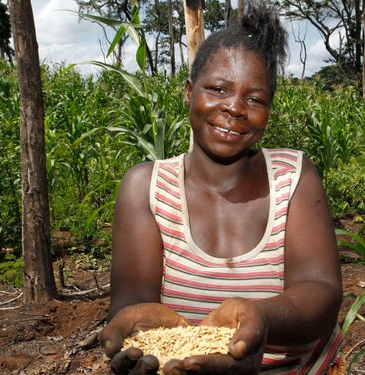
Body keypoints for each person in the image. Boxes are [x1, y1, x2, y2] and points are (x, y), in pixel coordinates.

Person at [99, 1, 343, 374]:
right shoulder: (146, 187)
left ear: (269, 111)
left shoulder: (293, 178)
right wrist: (137, 331)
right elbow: (131, 302)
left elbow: (321, 292)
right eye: (218, 89)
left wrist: (260, 320)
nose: (235, 108)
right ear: (188, 92)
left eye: (255, 98)